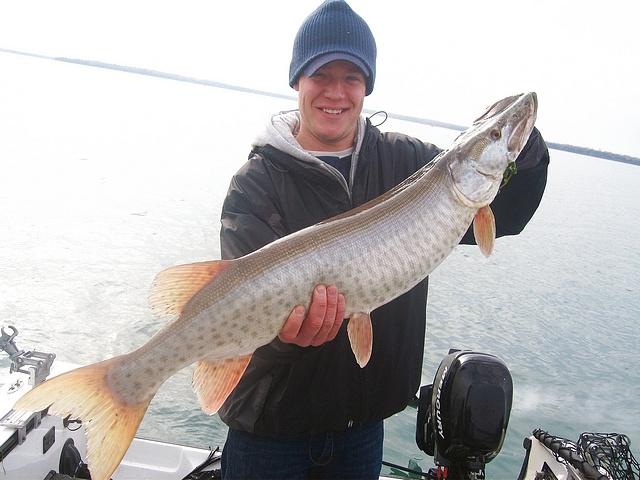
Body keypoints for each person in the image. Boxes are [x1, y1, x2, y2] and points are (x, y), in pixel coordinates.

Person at [217, 1, 549, 478]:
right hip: (270, 434)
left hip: (361, 430)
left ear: (367, 85)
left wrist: (524, 153)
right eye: (321, 75)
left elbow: (509, 214)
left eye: (351, 77)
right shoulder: (256, 184)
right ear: (297, 81)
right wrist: (288, 339)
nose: (336, 91)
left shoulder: (412, 164)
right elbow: (242, 317)